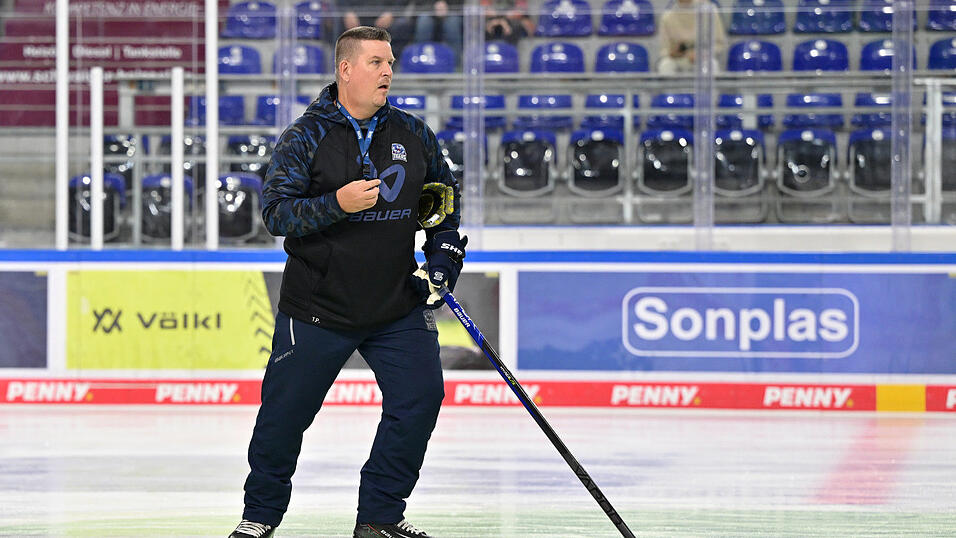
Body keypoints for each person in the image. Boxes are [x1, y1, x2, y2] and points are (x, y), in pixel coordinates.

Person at [228, 25, 465, 538]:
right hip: (318, 307)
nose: (388, 72)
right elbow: (275, 214)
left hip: (396, 305)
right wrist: (336, 203)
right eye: (377, 62)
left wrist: (443, 266)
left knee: (419, 401)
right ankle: (259, 518)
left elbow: (446, 209)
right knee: (284, 418)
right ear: (346, 70)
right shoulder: (304, 136)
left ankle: (380, 517)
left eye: (391, 63)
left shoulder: (413, 133)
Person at [657, 0, 726, 74]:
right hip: (678, 59)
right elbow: (663, 49)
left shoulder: (709, 11)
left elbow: (719, 44)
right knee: (665, 66)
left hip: (703, 58)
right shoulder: (667, 17)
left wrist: (701, 54)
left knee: (712, 65)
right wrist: (673, 53)